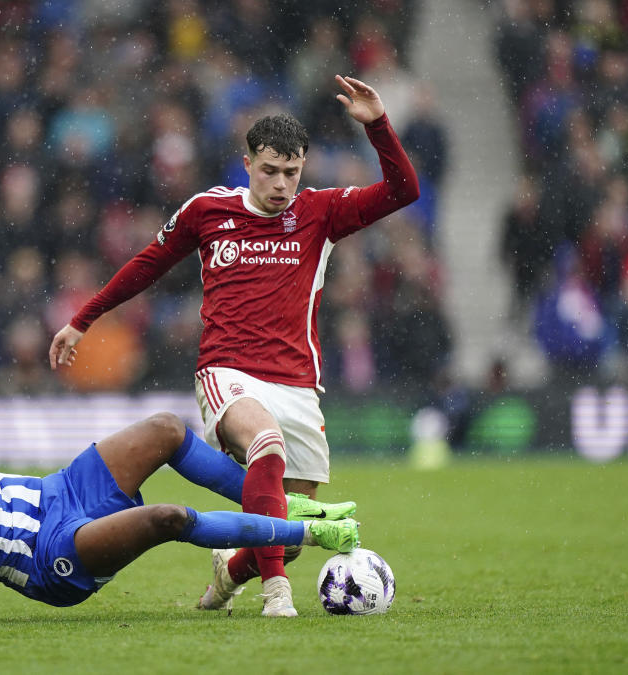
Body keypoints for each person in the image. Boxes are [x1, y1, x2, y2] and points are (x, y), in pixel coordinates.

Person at [49, 75, 419, 617]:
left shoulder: (320, 212)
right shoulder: (208, 210)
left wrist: (379, 127)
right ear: (246, 164)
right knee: (264, 443)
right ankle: (277, 595)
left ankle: (231, 571)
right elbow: (147, 265)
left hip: (297, 381)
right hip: (227, 373)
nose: (280, 184)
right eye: (269, 170)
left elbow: (403, 191)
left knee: (289, 534)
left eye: (291, 173)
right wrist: (84, 319)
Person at [0, 360, 360, 627]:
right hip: (50, 555)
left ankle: (289, 506)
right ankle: (307, 531)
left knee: (166, 428)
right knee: (167, 517)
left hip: (60, 490)